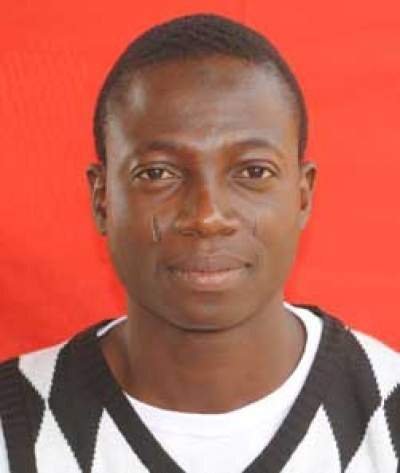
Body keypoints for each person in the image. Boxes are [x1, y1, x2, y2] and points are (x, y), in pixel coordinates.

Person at [0, 13, 399, 473]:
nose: (207, 217)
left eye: (253, 171)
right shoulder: (15, 424)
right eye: (158, 173)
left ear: (303, 195)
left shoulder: (388, 414)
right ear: (102, 199)